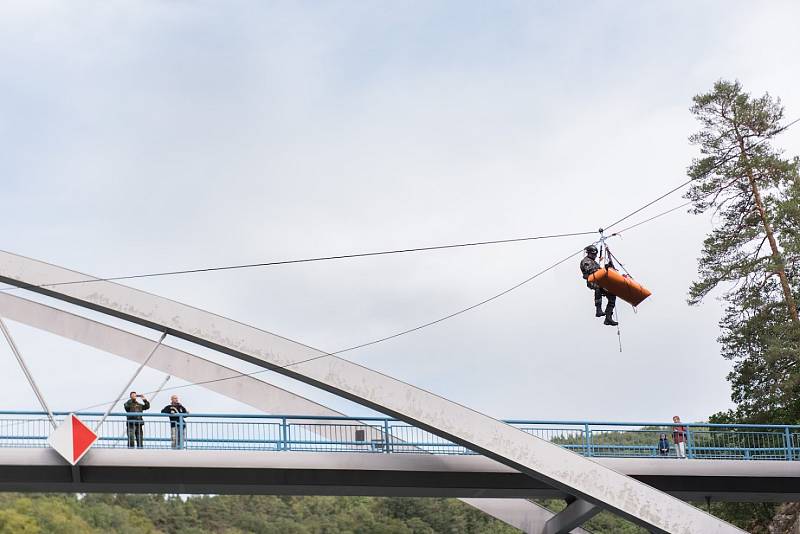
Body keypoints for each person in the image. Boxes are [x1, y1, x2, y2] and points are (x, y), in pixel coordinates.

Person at [579, 245, 618, 326]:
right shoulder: (586, 261)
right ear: (589, 253)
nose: (595, 256)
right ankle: (598, 309)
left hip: (600, 281)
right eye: (593, 254)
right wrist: (605, 269)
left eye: (595, 254)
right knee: (598, 287)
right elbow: (591, 271)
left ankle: (608, 317)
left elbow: (600, 272)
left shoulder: (595, 262)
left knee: (612, 295)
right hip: (592, 280)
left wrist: (608, 268)